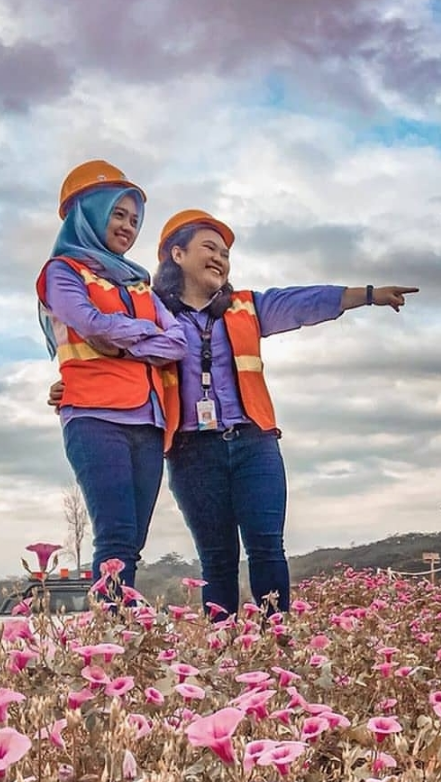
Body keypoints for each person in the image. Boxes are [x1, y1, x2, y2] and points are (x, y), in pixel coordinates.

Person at [152, 208, 419, 618]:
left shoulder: (247, 307)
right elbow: (107, 344)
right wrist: (69, 386)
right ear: (177, 254)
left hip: (253, 445)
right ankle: (222, 655)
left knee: (266, 547)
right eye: (209, 248)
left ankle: (276, 645)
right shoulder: (150, 313)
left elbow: (302, 303)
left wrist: (367, 295)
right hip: (191, 452)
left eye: (225, 253)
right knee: (216, 558)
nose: (220, 258)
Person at [36, 161, 187, 590]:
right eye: (117, 215)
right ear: (90, 212)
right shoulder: (62, 272)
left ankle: (117, 632)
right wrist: (145, 338)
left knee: (133, 543)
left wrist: (122, 340)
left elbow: (176, 344)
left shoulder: (141, 284)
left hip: (149, 421)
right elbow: (88, 322)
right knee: (116, 535)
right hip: (94, 416)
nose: (127, 227)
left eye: (134, 219)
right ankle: (108, 642)